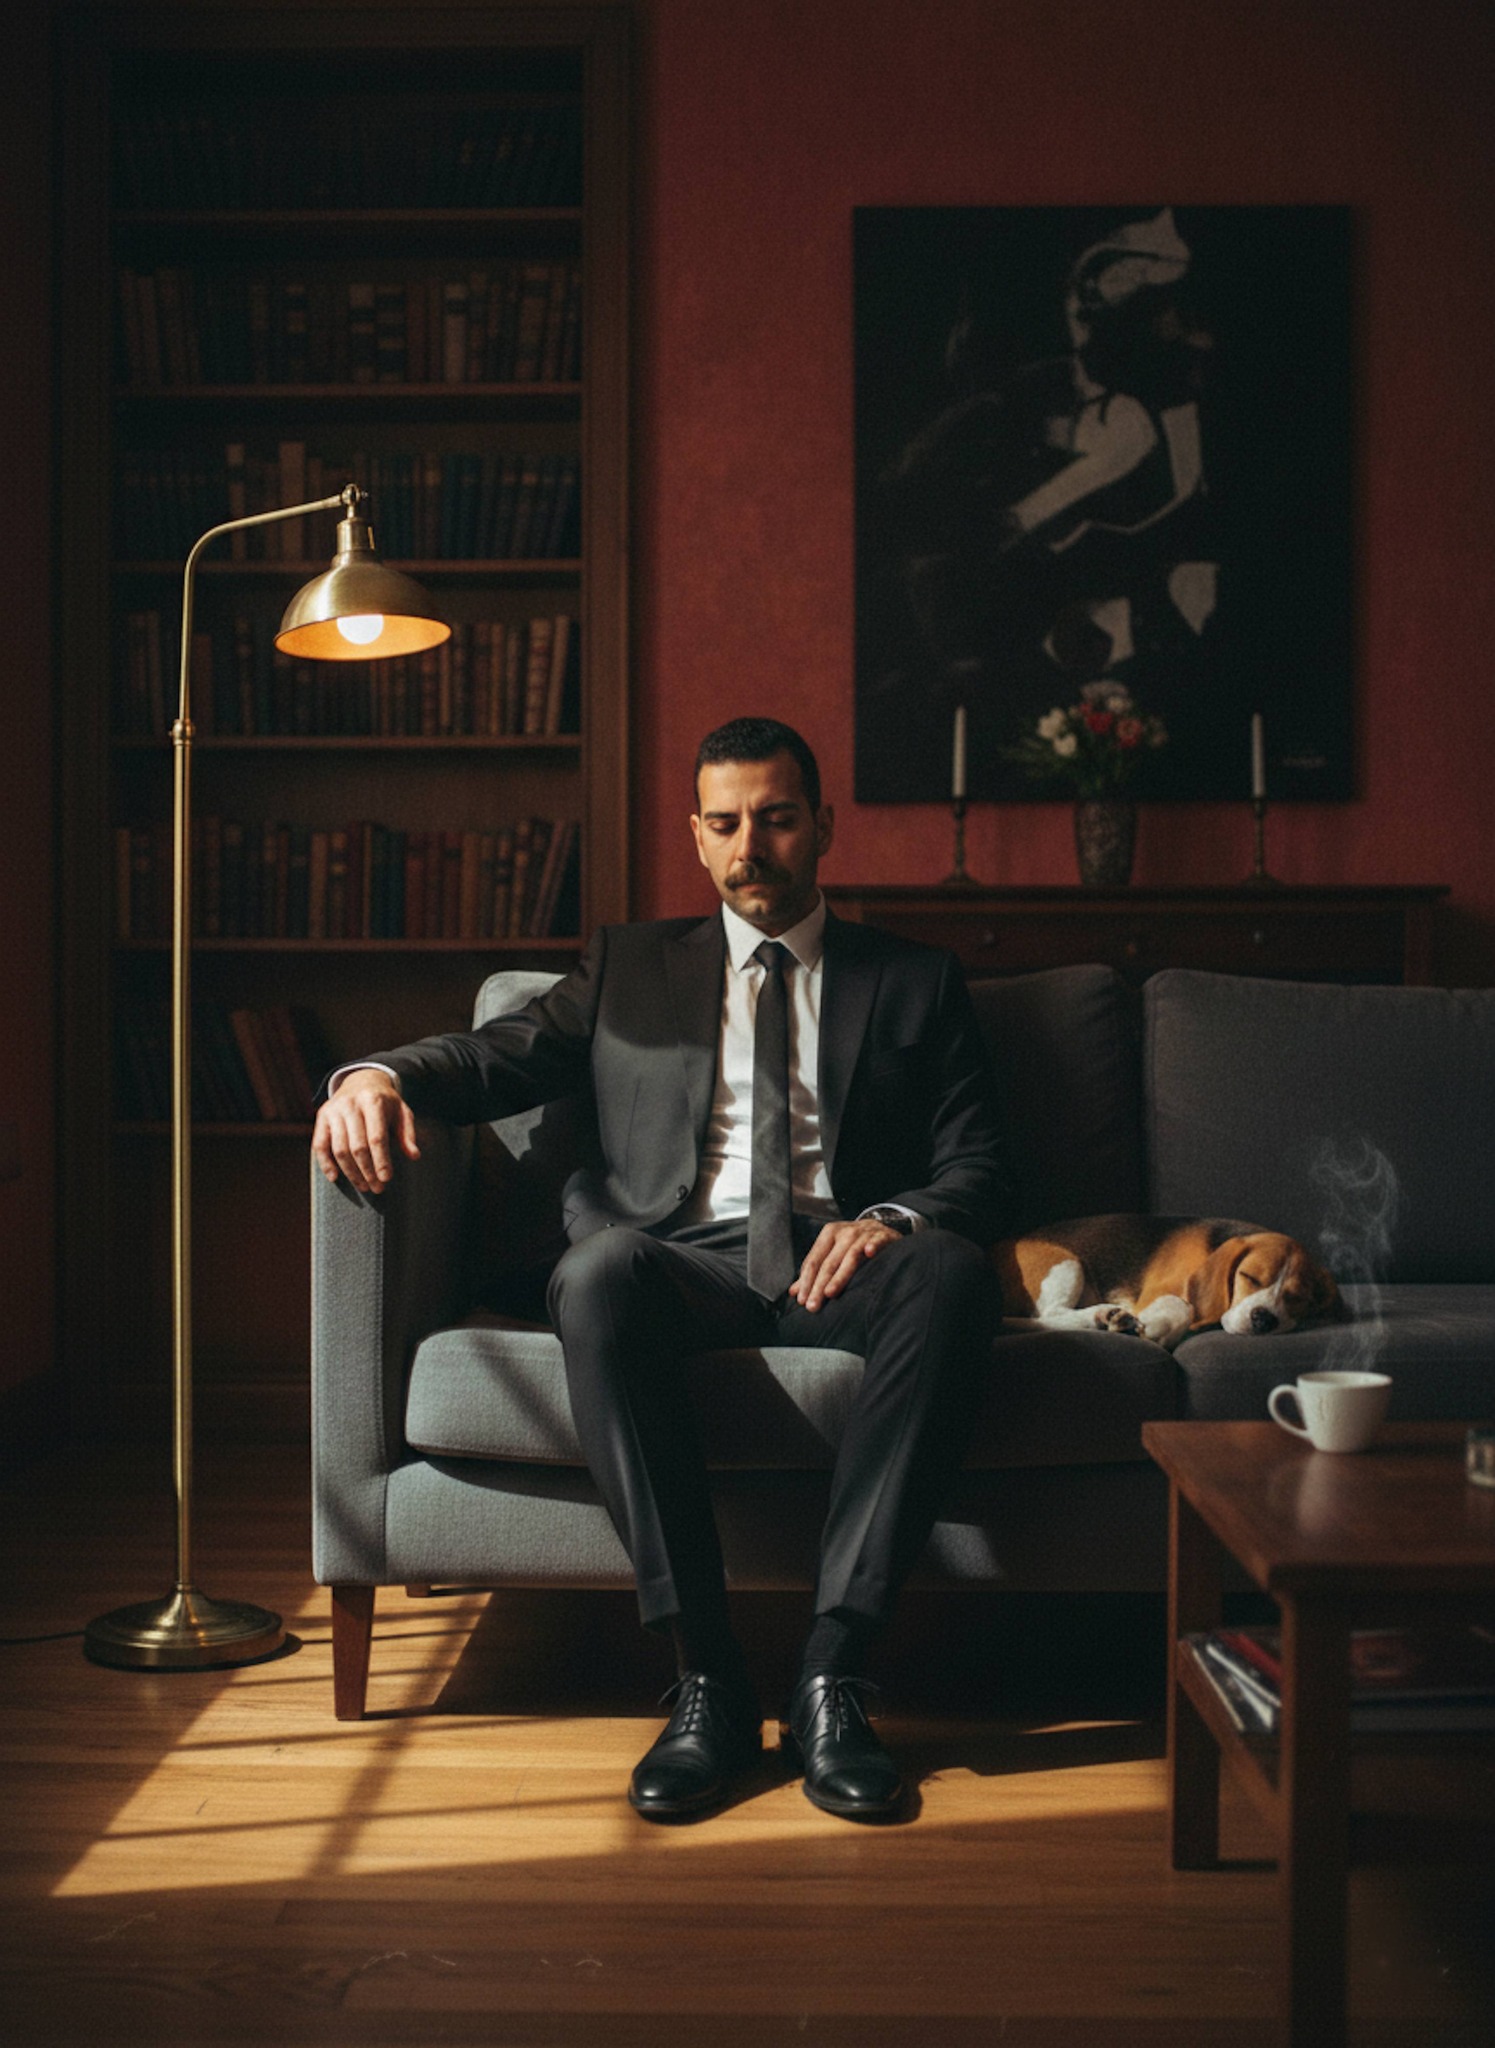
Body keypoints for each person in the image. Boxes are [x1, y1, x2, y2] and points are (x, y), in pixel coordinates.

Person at [313, 716, 1009, 1823]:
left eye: (777, 818)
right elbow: (493, 1058)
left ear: (821, 825)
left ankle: (834, 1672)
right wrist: (374, 1076)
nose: (752, 848)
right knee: (595, 1276)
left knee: (953, 1275)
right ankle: (706, 1679)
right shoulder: (629, 967)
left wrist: (892, 1216)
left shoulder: (914, 977)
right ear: (694, 836)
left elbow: (976, 1159)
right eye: (726, 823)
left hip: (846, 1260)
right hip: (683, 1260)